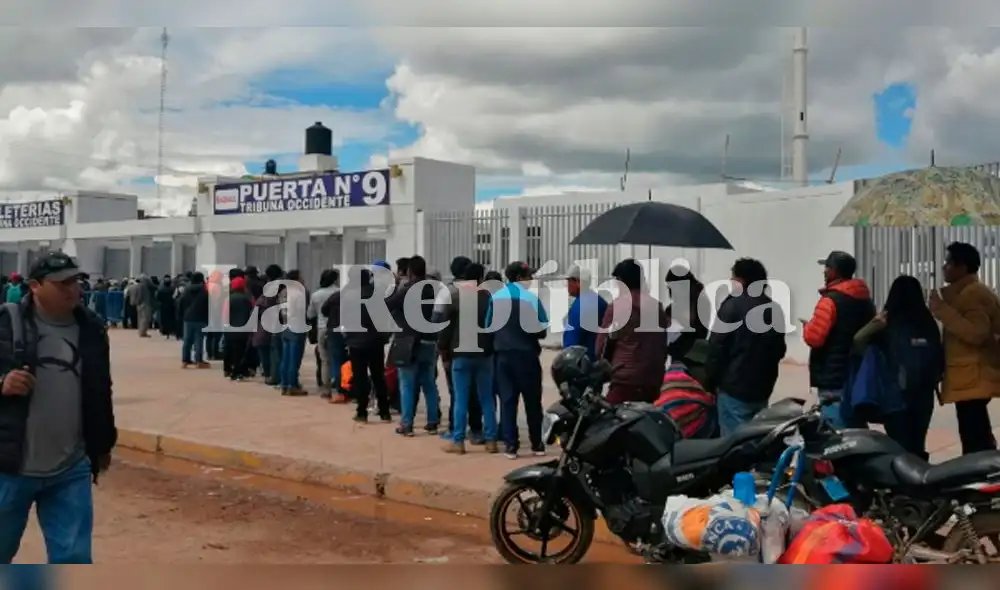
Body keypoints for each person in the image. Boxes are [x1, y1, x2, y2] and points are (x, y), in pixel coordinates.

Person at [0, 252, 116, 563]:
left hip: (70, 468)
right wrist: (2, 383)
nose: (72, 289)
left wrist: (102, 443)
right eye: (61, 283)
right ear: (35, 286)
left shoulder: (91, 328)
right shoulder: (6, 324)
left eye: (75, 281)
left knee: (74, 560)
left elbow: (100, 390)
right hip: (9, 467)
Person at [853, 275, 943, 459]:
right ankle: (921, 480)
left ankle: (902, 482)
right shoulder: (927, 321)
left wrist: (874, 324)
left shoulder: (888, 322)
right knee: (917, 443)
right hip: (924, 394)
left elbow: (858, 342)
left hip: (895, 394)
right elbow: (939, 355)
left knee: (899, 444)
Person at [929, 242, 1000, 454]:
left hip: (974, 375)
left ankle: (983, 476)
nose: (944, 267)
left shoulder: (973, 294)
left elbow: (976, 333)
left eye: (949, 262)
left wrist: (941, 310)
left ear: (962, 267)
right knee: (974, 429)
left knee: (974, 434)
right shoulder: (966, 292)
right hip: (969, 375)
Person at [703, 258, 787, 435]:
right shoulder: (774, 309)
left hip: (733, 388)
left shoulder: (731, 306)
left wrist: (710, 380)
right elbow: (780, 349)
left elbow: (716, 348)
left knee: (734, 444)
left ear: (741, 281)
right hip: (762, 388)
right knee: (755, 439)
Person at [802, 251, 875, 428]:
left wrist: (807, 327)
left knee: (836, 433)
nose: (824, 271)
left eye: (827, 267)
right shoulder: (865, 300)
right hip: (856, 373)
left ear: (834, 272)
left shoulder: (830, 301)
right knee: (855, 427)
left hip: (833, 377)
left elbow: (815, 338)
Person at [489, 261, 549, 459]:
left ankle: (511, 446)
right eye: (528, 277)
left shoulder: (496, 298)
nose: (531, 280)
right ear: (519, 278)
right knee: (532, 401)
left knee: (507, 401)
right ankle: (537, 444)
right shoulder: (531, 299)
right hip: (527, 357)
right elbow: (541, 331)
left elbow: (488, 326)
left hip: (503, 357)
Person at [438, 263, 497, 454]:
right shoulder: (489, 300)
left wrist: (443, 349)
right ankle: (491, 441)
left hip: (460, 355)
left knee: (461, 399)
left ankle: (458, 441)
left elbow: (445, 328)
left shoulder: (455, 298)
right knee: (486, 399)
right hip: (484, 355)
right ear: (481, 278)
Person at [595, 259, 669, 405]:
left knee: (608, 422)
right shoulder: (657, 307)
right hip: (653, 381)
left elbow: (600, 349)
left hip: (625, 381)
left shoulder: (616, 307)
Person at [325, 268, 392, 421]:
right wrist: (384, 336)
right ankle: (384, 411)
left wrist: (348, 337)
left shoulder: (348, 297)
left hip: (356, 342)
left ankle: (362, 412)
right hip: (375, 341)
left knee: (360, 377)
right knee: (378, 377)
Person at [387, 255, 441, 436]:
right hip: (429, 340)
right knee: (429, 384)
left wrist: (396, 286)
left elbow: (387, 305)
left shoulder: (408, 289)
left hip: (409, 342)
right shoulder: (433, 289)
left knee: (408, 385)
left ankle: (407, 424)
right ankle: (433, 422)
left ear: (409, 271)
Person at [433, 256, 484, 442]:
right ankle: (477, 431)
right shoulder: (484, 294)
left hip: (454, 351)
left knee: (458, 392)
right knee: (477, 393)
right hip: (480, 350)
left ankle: (456, 430)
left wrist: (441, 347)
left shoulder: (448, 292)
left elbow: (438, 320)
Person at [562, 265, 608, 360]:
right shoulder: (599, 300)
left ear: (578, 282)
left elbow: (571, 343)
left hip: (582, 363)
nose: (567, 285)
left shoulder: (580, 306)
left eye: (569, 281)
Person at [307, 269, 341, 399]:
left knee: (324, 360)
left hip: (321, 329)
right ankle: (339, 388)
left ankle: (326, 390)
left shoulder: (316, 295)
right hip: (337, 328)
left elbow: (310, 314)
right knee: (338, 359)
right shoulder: (339, 293)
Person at [278, 270, 309, 396]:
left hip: (285, 325)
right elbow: (302, 311)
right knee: (294, 359)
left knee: (285, 357)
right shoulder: (298, 293)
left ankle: (284, 384)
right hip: (297, 326)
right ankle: (293, 385)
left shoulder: (283, 292)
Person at [177, 271, 210, 369]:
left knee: (187, 340)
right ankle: (199, 361)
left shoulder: (186, 290)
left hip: (187, 318)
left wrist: (181, 315)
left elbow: (180, 303)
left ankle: (185, 360)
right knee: (199, 339)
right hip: (200, 318)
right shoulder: (204, 291)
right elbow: (208, 305)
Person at [223, 277, 254, 381]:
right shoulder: (246, 299)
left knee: (228, 349)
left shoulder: (228, 298)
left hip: (229, 328)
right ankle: (237, 371)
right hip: (242, 328)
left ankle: (227, 369)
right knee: (240, 351)